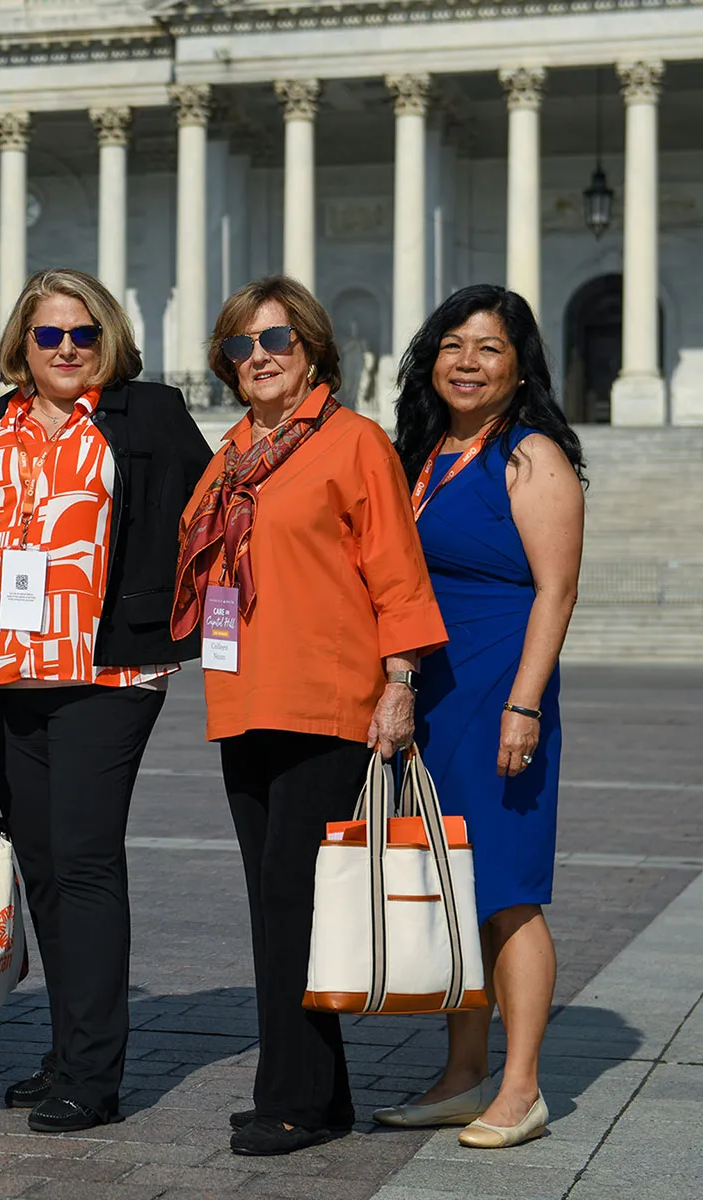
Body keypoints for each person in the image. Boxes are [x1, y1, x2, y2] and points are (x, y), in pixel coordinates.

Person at [170, 275, 448, 1157]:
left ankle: (293, 1096)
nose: (257, 358)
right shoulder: (231, 456)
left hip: (330, 700)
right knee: (273, 901)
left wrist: (400, 683)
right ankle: (316, 1094)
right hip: (244, 698)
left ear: (314, 349)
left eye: (275, 341)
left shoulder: (355, 442)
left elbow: (397, 571)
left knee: (296, 895)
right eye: (239, 347)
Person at [0, 269, 212, 1133]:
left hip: (109, 673)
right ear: (21, 346)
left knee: (85, 858)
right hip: (8, 676)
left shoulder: (146, 415)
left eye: (83, 335)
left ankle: (95, 1076)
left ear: (108, 340)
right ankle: (66, 1051)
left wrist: (192, 621)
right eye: (49, 336)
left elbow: (213, 515)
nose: (66, 350)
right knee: (41, 866)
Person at [375, 285, 585, 1149]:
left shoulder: (531, 456)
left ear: (518, 365)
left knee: (508, 895)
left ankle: (522, 1086)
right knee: (452, 893)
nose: (467, 362)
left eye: (490, 348)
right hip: (434, 694)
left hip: (501, 688)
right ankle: (463, 1074)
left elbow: (557, 589)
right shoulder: (425, 452)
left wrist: (524, 705)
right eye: (453, 344)